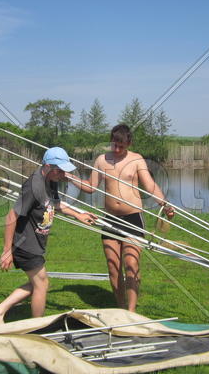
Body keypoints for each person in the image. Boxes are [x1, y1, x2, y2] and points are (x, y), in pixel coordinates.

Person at [70, 125, 174, 312]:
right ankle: (120, 309)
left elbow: (150, 186)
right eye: (114, 145)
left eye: (121, 147)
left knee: (131, 263)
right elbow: (91, 186)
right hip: (109, 219)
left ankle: (131, 312)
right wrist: (69, 177)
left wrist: (164, 204)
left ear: (129, 143)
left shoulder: (136, 160)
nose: (117, 150)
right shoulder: (102, 160)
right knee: (113, 267)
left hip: (133, 217)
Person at [0, 147, 96, 324]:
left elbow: (55, 204)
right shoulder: (34, 186)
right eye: (59, 170)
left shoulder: (50, 180)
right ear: (47, 165)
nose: (62, 174)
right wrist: (7, 251)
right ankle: (38, 326)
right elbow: (11, 216)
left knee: (37, 284)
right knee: (42, 284)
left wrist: (78, 215)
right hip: (25, 244)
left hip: (35, 243)